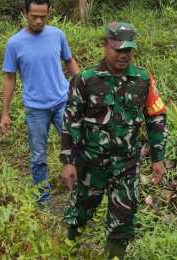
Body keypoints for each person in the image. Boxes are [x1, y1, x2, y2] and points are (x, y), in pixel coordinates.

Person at [60, 22, 167, 260]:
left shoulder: (143, 79)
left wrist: (158, 158)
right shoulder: (85, 80)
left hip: (126, 165)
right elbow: (71, 123)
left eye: (128, 50)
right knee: (79, 213)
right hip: (91, 163)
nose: (123, 55)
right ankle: (66, 251)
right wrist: (68, 162)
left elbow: (156, 118)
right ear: (105, 46)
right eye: (117, 49)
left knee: (123, 222)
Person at [1, 0, 79, 205]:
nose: (38, 21)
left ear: (48, 14)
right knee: (38, 156)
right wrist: (5, 112)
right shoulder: (14, 43)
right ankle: (43, 201)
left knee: (75, 147)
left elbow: (69, 60)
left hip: (62, 102)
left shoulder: (57, 35)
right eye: (34, 16)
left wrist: (82, 87)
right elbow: (9, 77)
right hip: (35, 109)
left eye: (43, 17)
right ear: (24, 14)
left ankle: (79, 195)